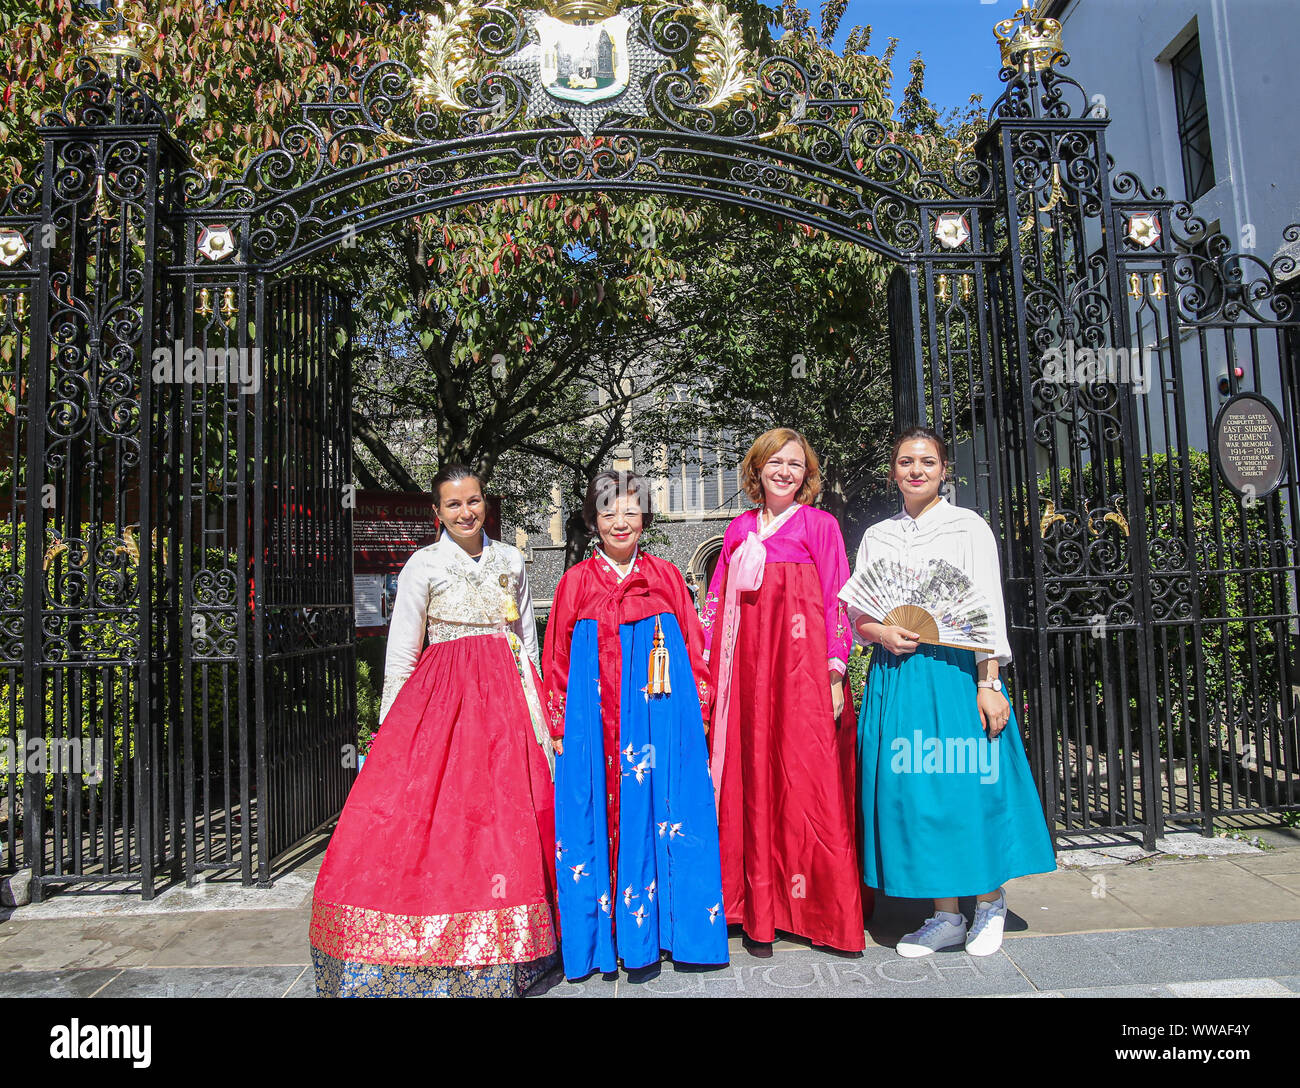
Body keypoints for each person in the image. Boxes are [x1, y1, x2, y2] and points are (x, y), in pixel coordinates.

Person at [309, 465, 558, 996]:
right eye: (453, 505)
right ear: (437, 512)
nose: (466, 512)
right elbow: (402, 652)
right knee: (451, 817)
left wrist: (541, 713)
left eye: (473, 501)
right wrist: (394, 734)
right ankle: (436, 938)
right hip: (445, 700)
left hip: (508, 697)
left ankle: (510, 945)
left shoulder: (512, 559)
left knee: (504, 813)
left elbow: (526, 639)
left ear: (485, 503)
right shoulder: (423, 564)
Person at [849, 427, 1056, 957]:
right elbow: (859, 614)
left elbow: (986, 606)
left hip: (957, 673)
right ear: (893, 471)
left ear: (944, 469)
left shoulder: (969, 528)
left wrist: (990, 683)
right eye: (905, 461)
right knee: (917, 793)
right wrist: (881, 632)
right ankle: (944, 915)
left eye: (926, 461)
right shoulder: (878, 536)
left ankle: (988, 902)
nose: (915, 470)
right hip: (898, 674)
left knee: (965, 784)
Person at [542, 470, 728, 979]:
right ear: (592, 520)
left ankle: (667, 932)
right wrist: (559, 726)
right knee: (595, 817)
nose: (619, 522)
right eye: (607, 512)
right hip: (594, 727)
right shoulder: (574, 583)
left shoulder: (666, 577)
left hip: (658, 724)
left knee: (664, 812)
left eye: (630, 510)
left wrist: (701, 718)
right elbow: (556, 658)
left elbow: (694, 649)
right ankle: (605, 938)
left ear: (645, 516)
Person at [702, 428, 867, 953]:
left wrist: (834, 673)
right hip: (745, 679)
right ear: (758, 468)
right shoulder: (737, 531)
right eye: (776, 462)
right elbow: (715, 606)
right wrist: (707, 674)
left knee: (802, 776)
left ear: (806, 474)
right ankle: (748, 904)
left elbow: (836, 598)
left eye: (796, 464)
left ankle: (815, 909)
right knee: (749, 777)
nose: (785, 471)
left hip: (798, 675)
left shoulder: (821, 526)